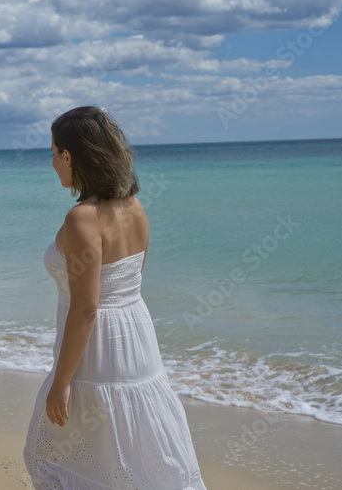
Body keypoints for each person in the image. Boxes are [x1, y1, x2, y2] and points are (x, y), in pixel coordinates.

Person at [23, 106, 207, 489]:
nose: (52, 162)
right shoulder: (134, 206)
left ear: (69, 156)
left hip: (98, 349)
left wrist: (61, 382)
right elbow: (131, 281)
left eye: (53, 153)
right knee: (138, 456)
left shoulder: (82, 218)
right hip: (135, 336)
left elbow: (86, 308)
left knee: (52, 455)